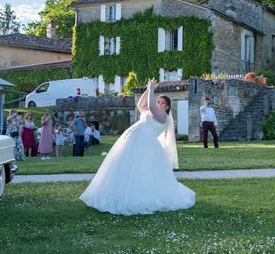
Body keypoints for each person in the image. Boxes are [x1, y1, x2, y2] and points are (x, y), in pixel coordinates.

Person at [80, 79, 195, 215]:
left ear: (167, 107)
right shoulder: (152, 111)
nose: (159, 104)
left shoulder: (163, 116)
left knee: (140, 169)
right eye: (158, 101)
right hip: (133, 139)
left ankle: (139, 196)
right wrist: (147, 90)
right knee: (125, 166)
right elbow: (141, 105)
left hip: (145, 143)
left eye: (162, 103)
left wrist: (152, 89)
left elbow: (151, 107)